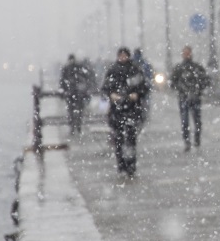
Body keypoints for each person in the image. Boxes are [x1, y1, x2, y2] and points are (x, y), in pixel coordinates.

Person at [102, 47, 149, 176]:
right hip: (117, 111)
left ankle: (131, 165)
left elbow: (144, 87)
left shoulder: (135, 70)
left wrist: (137, 94)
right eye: (121, 55)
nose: (123, 58)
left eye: (125, 55)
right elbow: (105, 87)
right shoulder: (113, 71)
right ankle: (121, 165)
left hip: (132, 109)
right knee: (118, 140)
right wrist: (112, 94)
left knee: (131, 139)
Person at [169, 45, 210, 151]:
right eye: (185, 53)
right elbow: (172, 83)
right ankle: (187, 141)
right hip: (184, 98)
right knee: (185, 121)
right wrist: (183, 90)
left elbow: (205, 80)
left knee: (196, 120)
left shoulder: (197, 67)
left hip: (195, 98)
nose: (187, 55)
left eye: (188, 53)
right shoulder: (179, 68)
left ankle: (196, 138)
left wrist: (197, 90)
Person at [59, 54, 91, 135]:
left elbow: (62, 80)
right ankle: (75, 126)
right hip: (75, 93)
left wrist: (63, 90)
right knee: (76, 110)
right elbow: (86, 79)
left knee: (74, 110)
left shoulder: (68, 68)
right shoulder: (76, 68)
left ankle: (74, 126)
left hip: (74, 93)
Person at [132, 49, 155, 128]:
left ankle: (139, 118)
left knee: (141, 104)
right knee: (144, 104)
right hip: (142, 89)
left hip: (138, 89)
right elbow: (150, 75)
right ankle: (141, 118)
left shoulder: (134, 63)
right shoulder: (144, 64)